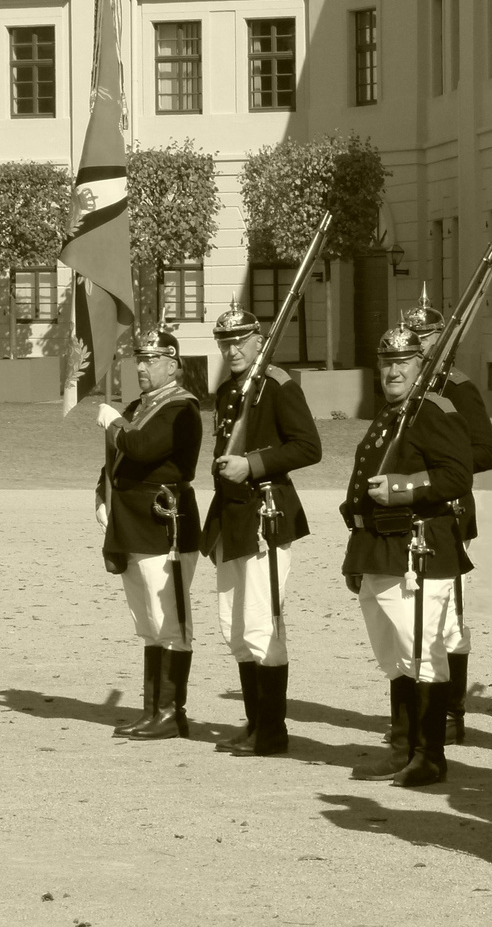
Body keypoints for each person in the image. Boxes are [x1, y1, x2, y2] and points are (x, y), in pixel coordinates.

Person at [343, 321, 475, 787]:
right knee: (397, 656)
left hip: (420, 549)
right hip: (381, 549)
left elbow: (457, 477)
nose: (392, 372)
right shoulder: (391, 414)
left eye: (402, 363)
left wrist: (402, 489)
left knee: (424, 655)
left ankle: (430, 755)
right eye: (386, 363)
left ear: (421, 365)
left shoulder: (433, 411)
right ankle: (402, 747)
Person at [201, 302, 322, 757]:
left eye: (239, 342)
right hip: (231, 515)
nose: (232, 350)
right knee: (234, 626)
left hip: (265, 514)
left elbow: (309, 447)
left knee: (261, 625)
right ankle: (255, 723)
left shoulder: (276, 384)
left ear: (259, 341)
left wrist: (252, 464)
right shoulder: (232, 388)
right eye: (225, 343)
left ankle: (272, 731)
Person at [95, 329, 202, 741]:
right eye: (139, 359)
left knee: (169, 622)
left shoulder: (181, 410)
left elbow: (140, 447)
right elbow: (119, 461)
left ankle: (172, 713)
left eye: (151, 359)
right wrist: (102, 494)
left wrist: (115, 421)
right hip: (132, 525)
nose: (141, 366)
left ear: (173, 365)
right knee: (147, 624)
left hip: (165, 526)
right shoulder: (142, 405)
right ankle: (153, 709)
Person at [405, 285, 492, 744]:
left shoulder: (458, 388)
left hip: (450, 510)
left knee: (450, 618)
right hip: (406, 514)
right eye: (414, 336)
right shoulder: (404, 388)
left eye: (427, 337)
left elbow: (487, 452)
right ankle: (412, 713)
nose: (420, 344)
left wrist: (438, 463)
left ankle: (452, 712)